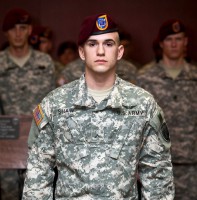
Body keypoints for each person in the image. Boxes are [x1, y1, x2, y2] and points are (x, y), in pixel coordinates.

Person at [23, 13, 174, 199]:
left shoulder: (143, 104)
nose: (100, 51)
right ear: (81, 52)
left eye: (108, 44)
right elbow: (38, 171)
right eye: (92, 44)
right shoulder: (54, 104)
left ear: (119, 52)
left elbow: (157, 175)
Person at [137, 19, 197, 200]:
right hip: (156, 164)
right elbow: (137, 123)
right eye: (169, 39)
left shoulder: (195, 77)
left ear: (185, 42)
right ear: (161, 43)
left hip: (191, 164)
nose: (173, 44)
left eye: (178, 39)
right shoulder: (145, 78)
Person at [0, 8, 55, 200]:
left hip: (38, 142)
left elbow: (51, 104)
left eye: (22, 28)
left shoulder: (45, 62)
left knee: (38, 194)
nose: (17, 34)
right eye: (12, 29)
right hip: (5, 145)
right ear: (5, 32)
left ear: (30, 30)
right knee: (8, 194)